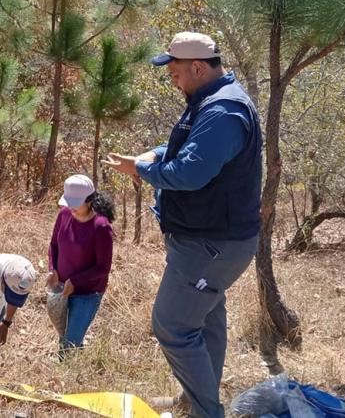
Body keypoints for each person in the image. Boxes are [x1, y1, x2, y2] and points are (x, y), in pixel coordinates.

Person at [102, 32, 262, 418]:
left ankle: (206, 412)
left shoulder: (223, 111)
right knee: (206, 318)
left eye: (175, 72)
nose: (172, 79)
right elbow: (192, 149)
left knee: (172, 324)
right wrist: (152, 155)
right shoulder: (210, 101)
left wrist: (144, 169)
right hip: (213, 239)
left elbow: (191, 172)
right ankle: (195, 400)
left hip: (212, 243)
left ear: (197, 67)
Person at [46, 174, 115, 356]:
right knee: (64, 335)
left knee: (71, 342)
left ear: (90, 200)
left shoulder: (101, 227)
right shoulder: (64, 214)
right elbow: (53, 244)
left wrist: (76, 281)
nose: (72, 208)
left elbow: (103, 268)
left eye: (77, 204)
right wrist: (52, 268)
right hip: (62, 288)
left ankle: (71, 375)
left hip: (88, 292)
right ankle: (71, 369)